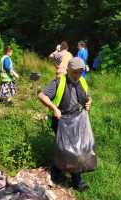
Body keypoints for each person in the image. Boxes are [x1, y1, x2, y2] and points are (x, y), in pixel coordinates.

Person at [38, 57, 93, 191]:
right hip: (61, 121)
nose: (77, 75)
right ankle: (77, 181)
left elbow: (89, 96)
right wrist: (55, 109)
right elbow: (42, 95)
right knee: (72, 150)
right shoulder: (59, 82)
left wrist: (89, 102)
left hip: (77, 120)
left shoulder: (83, 82)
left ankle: (56, 170)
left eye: (80, 72)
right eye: (74, 72)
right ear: (68, 70)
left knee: (68, 148)